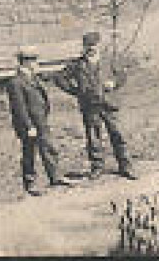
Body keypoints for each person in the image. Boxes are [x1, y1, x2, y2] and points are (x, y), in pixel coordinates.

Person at [52, 32, 136, 179]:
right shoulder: (78, 64)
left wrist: (114, 83)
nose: (91, 48)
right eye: (88, 46)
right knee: (93, 137)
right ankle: (97, 167)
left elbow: (122, 75)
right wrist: (76, 91)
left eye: (94, 45)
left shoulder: (109, 61)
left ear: (99, 45)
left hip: (109, 104)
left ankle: (126, 166)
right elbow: (59, 78)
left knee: (118, 134)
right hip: (90, 106)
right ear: (84, 47)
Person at [6, 46, 72, 196]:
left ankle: (55, 176)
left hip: (41, 120)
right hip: (28, 124)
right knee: (29, 152)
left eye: (35, 60)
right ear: (24, 63)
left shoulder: (34, 77)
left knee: (48, 147)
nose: (36, 63)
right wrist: (28, 126)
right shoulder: (16, 82)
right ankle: (30, 183)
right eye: (33, 60)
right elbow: (19, 108)